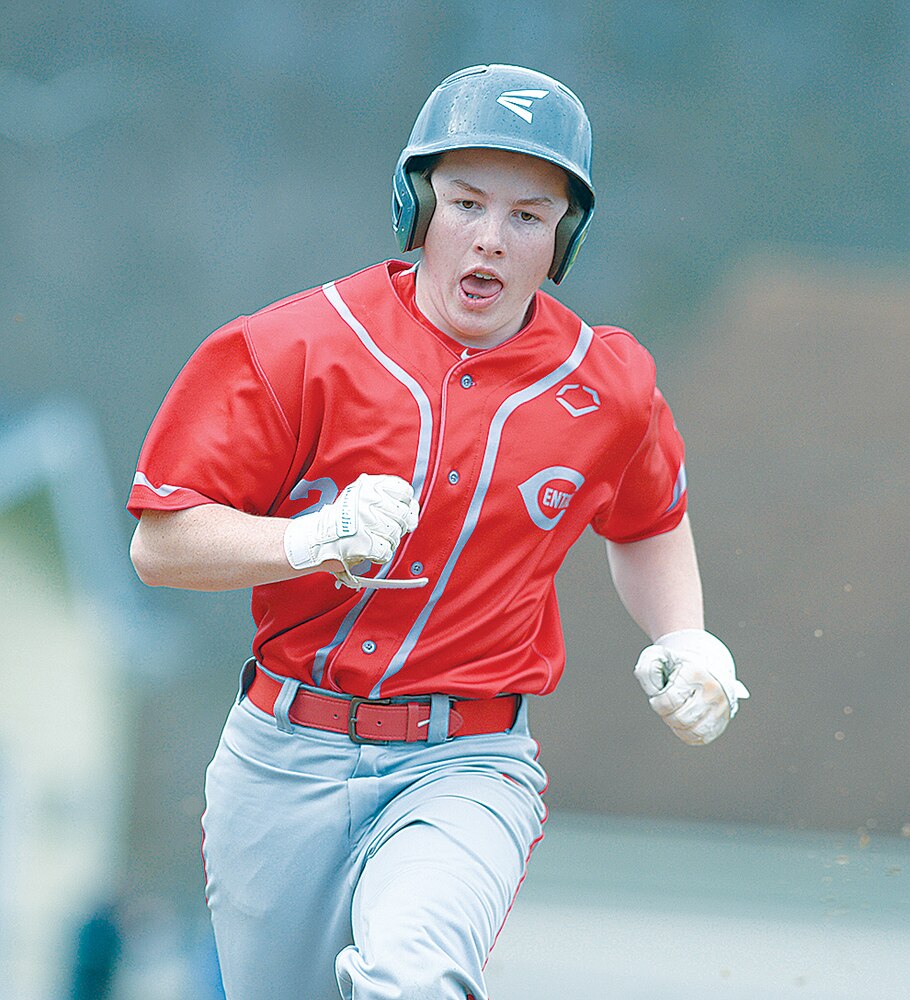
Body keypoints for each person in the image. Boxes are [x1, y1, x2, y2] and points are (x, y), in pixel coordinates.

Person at [128, 63, 749, 1000]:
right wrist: (308, 540)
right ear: (415, 207)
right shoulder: (294, 348)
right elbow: (161, 544)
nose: (490, 240)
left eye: (529, 216)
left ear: (563, 241)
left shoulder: (608, 385)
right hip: (280, 757)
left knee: (413, 979)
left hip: (466, 759)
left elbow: (647, 518)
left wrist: (687, 637)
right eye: (465, 203)